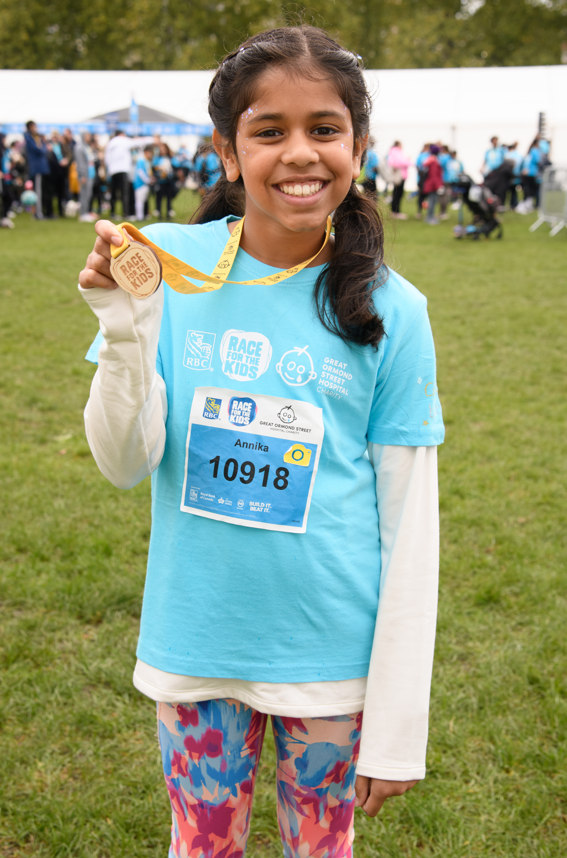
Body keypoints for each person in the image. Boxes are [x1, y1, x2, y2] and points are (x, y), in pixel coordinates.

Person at [78, 25, 444, 858]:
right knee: (201, 849)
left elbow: (408, 526)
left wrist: (396, 723)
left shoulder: (395, 308)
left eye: (323, 128)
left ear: (357, 144)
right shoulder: (164, 262)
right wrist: (126, 327)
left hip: (329, 662)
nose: (299, 154)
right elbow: (122, 460)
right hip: (196, 643)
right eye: (267, 130)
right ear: (228, 150)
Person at [386, 140, 411, 219]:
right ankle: (396, 211)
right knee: (398, 194)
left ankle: (394, 211)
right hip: (400, 176)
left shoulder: (392, 152)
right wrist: (408, 161)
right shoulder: (396, 152)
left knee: (396, 193)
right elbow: (400, 162)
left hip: (399, 176)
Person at [422, 144, 444, 225]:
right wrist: (439, 186)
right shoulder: (434, 162)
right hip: (433, 185)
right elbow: (434, 175)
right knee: (432, 201)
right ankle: (429, 218)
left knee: (432, 201)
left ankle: (430, 217)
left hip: (431, 184)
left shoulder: (430, 160)